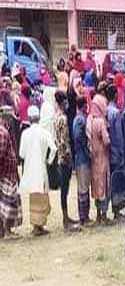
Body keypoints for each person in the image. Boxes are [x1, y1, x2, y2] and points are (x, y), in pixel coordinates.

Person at [18, 106, 57, 236]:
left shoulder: (25, 134)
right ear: (39, 118)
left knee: (34, 197)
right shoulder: (44, 132)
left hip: (30, 170)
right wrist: (49, 161)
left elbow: (21, 154)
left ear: (29, 119)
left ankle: (37, 225)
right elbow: (54, 149)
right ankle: (39, 226)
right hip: (41, 168)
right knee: (42, 196)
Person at [53, 90, 79, 231]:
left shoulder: (56, 117)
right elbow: (64, 141)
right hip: (64, 158)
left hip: (60, 156)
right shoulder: (62, 118)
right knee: (65, 189)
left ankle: (66, 216)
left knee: (65, 189)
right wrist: (68, 157)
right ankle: (65, 219)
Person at [87, 90, 111, 225]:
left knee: (96, 185)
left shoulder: (90, 120)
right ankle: (104, 214)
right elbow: (106, 140)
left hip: (93, 158)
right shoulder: (101, 122)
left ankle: (97, 215)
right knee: (103, 184)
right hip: (102, 155)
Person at [0, 106, 22, 239]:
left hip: (8, 172)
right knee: (7, 202)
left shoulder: (6, 130)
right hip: (5, 173)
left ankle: (4, 231)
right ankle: (6, 231)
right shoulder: (2, 132)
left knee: (6, 201)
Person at [106, 85, 125, 221]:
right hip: (115, 151)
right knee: (117, 180)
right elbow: (118, 135)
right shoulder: (115, 113)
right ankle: (117, 209)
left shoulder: (105, 110)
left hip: (107, 149)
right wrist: (122, 150)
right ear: (114, 95)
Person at [72, 96, 92, 225]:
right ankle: (83, 217)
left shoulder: (78, 118)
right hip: (82, 157)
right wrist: (86, 150)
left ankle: (85, 215)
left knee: (83, 187)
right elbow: (79, 137)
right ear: (83, 105)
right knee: (83, 187)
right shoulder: (80, 120)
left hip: (81, 156)